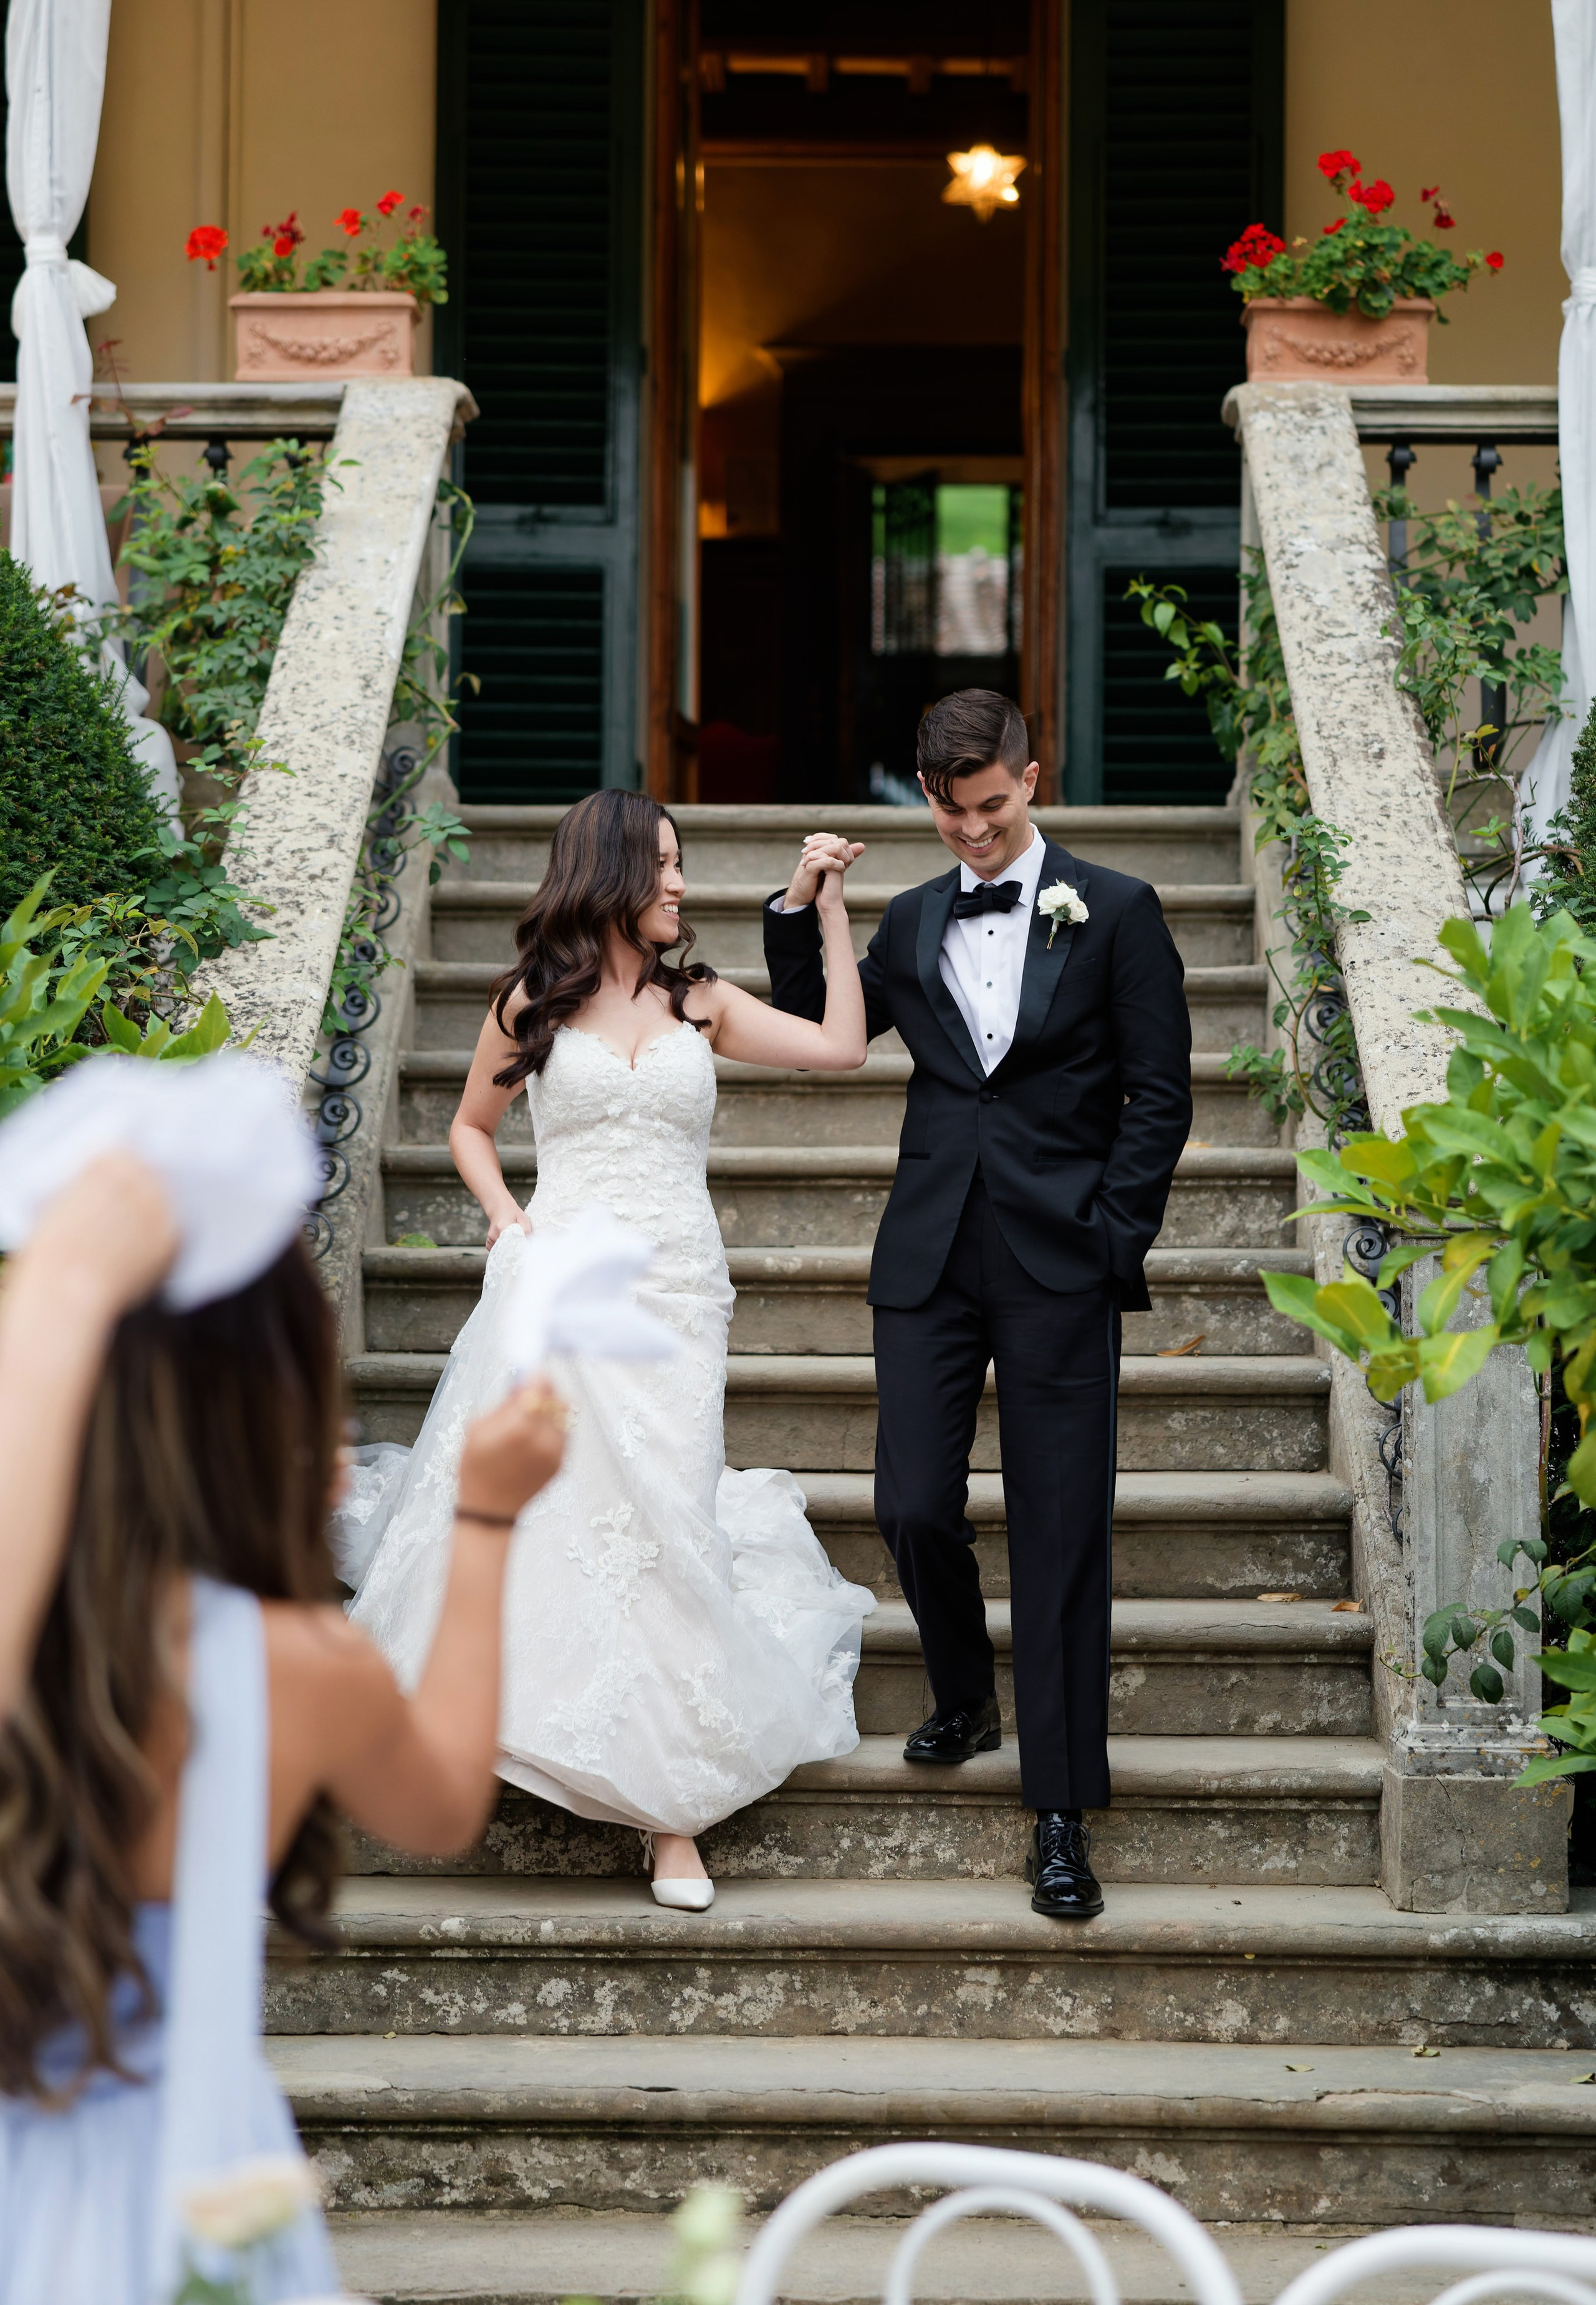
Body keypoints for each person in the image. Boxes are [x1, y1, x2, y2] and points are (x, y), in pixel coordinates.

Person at [0, 1057, 567, 2303]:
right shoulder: (284, 1664)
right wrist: (481, 1519)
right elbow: (438, 1806)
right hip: (200, 2204)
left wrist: (60, 1302)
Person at [349, 787, 875, 1911]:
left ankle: (671, 1801)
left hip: (680, 1291)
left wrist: (828, 907)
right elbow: (468, 1130)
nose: (681, 886)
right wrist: (506, 1218)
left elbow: (840, 1049)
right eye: (667, 866)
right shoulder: (530, 999)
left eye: (682, 867)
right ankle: (601, 1772)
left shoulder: (703, 1002)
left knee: (671, 1522)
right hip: (568, 1279)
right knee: (570, 1514)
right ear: (611, 873)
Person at [764, 689, 1193, 1921]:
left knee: (1060, 1535)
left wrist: (1116, 1235)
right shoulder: (905, 920)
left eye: (991, 808)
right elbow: (816, 1026)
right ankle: (962, 1689)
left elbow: (1155, 1095)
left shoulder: (1114, 911)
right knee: (908, 1502)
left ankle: (1058, 1809)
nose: (971, 833)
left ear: (1030, 778)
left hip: (1063, 1258)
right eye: (949, 814)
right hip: (931, 1254)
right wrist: (804, 910)